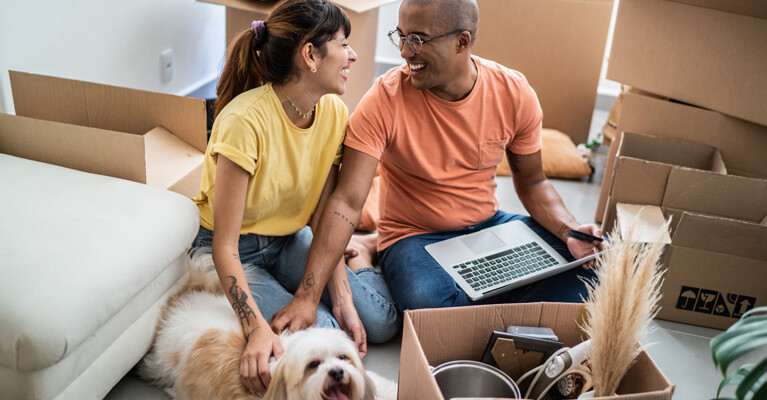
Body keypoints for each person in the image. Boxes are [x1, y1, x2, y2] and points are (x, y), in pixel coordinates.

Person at [270, 0, 608, 329]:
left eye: (417, 39)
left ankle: (472, 318)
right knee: (425, 300)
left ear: (462, 41)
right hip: (413, 238)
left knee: (592, 271)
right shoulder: (384, 98)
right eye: (400, 36)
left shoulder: (513, 91)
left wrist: (570, 230)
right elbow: (346, 201)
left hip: (488, 227)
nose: (404, 51)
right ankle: (506, 314)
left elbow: (533, 184)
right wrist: (307, 297)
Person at [187, 0, 399, 395]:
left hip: (288, 238)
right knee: (329, 336)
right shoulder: (242, 122)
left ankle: (363, 253)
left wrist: (340, 297)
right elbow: (224, 245)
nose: (352, 54)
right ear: (310, 55)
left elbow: (324, 218)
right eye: (343, 43)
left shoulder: (334, 111)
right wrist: (254, 330)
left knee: (382, 320)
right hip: (236, 253)